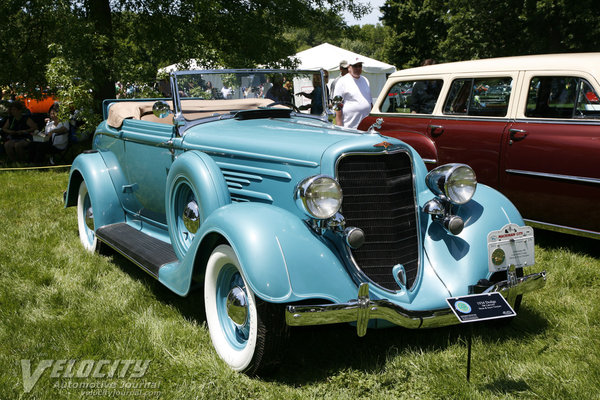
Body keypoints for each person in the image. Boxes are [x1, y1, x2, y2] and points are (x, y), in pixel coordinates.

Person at [332, 56, 372, 129]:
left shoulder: (365, 80)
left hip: (366, 126)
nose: (358, 68)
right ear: (349, 67)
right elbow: (337, 106)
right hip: (349, 126)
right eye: (355, 66)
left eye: (360, 66)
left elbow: (370, 102)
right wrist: (339, 125)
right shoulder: (342, 81)